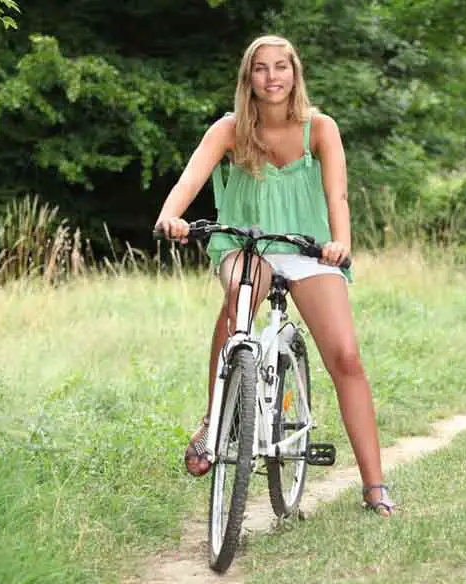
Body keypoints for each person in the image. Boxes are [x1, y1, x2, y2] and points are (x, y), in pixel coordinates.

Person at [154, 35, 394, 516]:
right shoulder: (228, 130)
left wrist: (339, 243)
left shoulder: (320, 128)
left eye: (281, 67)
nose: (272, 77)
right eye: (261, 69)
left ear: (295, 73)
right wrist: (171, 217)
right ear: (249, 78)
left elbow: (338, 198)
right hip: (245, 243)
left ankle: (375, 486)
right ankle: (214, 420)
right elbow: (188, 181)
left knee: (346, 356)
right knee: (246, 290)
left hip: (307, 248)